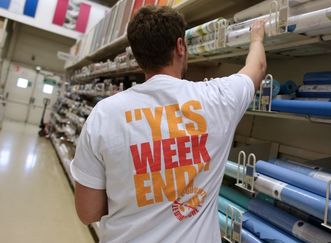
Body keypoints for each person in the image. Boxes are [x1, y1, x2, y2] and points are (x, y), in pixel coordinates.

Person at [72, 6, 266, 243]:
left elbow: (88, 212)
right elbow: (256, 68)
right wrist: (256, 37)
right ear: (180, 46)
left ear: (137, 55)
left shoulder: (104, 114)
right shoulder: (217, 98)